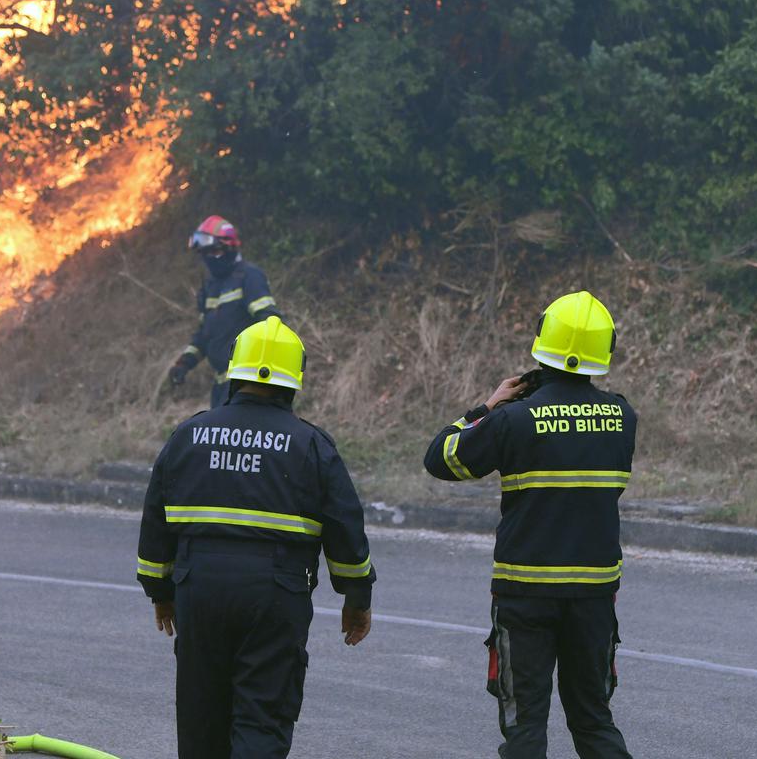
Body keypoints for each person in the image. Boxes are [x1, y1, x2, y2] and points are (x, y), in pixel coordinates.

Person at [138, 316, 374, 759]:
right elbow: (346, 529)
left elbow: (155, 523)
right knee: (262, 719)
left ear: (234, 371)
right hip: (275, 595)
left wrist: (160, 591)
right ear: (293, 381)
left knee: (200, 716)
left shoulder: (189, 435)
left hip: (199, 590)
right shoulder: (311, 446)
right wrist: (357, 598)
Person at [424, 290, 635, 759]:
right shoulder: (623, 417)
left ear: (542, 345)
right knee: (594, 720)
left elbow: (440, 459)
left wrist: (487, 407)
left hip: (525, 593)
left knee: (525, 728)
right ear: (605, 351)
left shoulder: (514, 420)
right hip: (594, 593)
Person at [170, 216, 279, 408]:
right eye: (204, 253)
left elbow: (270, 323)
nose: (209, 258)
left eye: (214, 251)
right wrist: (184, 363)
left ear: (229, 248)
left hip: (247, 384)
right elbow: (205, 335)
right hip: (221, 387)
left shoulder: (248, 276)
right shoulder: (210, 287)